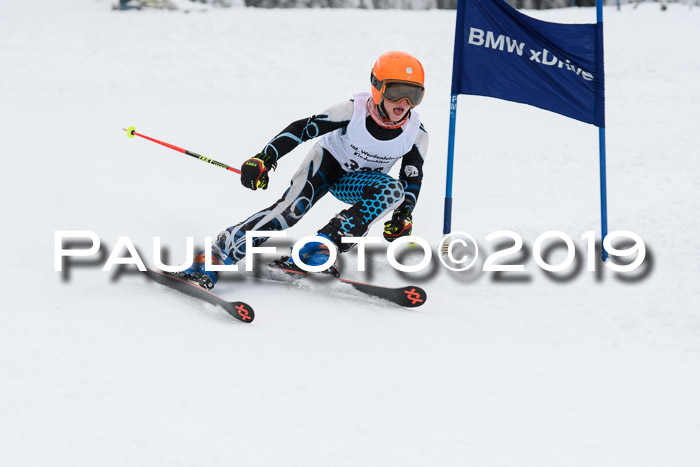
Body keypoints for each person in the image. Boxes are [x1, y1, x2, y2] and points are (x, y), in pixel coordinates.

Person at [179, 51, 429, 289]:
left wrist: (404, 214)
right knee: (289, 213)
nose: (404, 103)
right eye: (396, 92)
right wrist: (265, 157)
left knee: (393, 192)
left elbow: (411, 177)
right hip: (326, 165)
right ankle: (218, 254)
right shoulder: (354, 110)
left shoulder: (415, 134)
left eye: (414, 95)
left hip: (359, 182)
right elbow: (302, 128)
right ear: (378, 88)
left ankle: (318, 248)